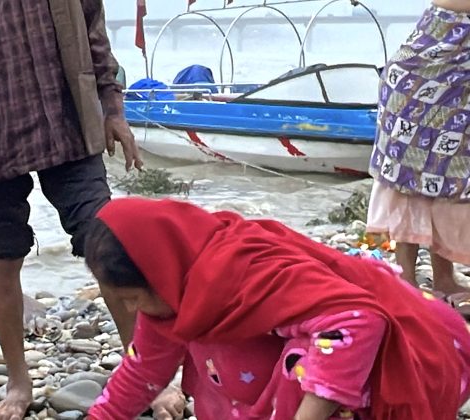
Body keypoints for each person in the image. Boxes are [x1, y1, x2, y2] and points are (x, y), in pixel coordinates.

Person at [0, 0, 172, 418]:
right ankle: (18, 382)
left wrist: (113, 110)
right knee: (2, 255)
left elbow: (95, 40)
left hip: (68, 126)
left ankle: (147, 375)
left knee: (108, 242)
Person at [84, 197, 470, 420]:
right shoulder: (174, 291)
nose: (131, 308)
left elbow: (358, 321)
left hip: (420, 353)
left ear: (160, 271)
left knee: (305, 356)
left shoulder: (243, 272)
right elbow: (142, 370)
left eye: (133, 296)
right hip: (367, 345)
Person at [366, 1, 470, 297]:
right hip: (417, 86)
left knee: (449, 177)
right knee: (407, 179)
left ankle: (444, 278)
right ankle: (406, 279)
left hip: (454, 88)